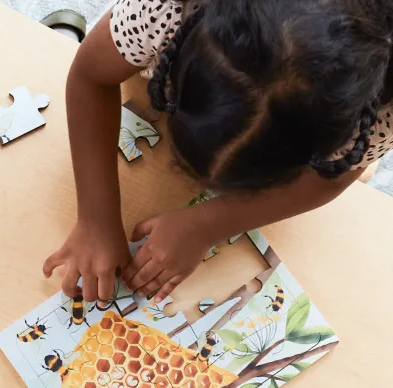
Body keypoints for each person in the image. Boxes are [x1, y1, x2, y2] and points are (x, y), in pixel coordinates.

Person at [44, 0, 393, 304]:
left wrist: (209, 224)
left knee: (359, 173)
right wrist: (96, 219)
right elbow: (92, 73)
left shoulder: (378, 111)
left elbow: (329, 181)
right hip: (150, 55)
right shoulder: (164, 9)